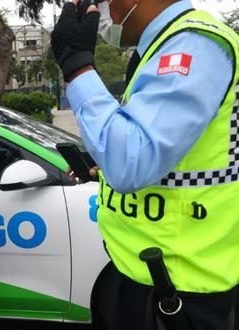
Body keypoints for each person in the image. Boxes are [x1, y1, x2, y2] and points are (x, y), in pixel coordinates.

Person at [51, 0, 238, 329]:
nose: (97, 9)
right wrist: (103, 166)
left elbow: (130, 163)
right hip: (147, 276)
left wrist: (78, 68)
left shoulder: (193, 44)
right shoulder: (165, 46)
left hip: (181, 290)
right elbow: (171, 154)